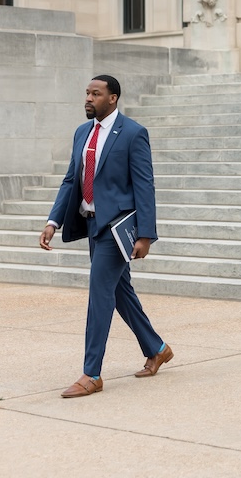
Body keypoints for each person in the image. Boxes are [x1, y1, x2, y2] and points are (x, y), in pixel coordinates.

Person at [39, 74, 173, 397]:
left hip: (117, 228)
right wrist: (52, 221)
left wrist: (146, 235)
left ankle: (92, 373)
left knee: (100, 294)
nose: (88, 98)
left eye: (95, 94)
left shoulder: (133, 133)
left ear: (112, 98)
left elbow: (144, 185)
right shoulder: (82, 133)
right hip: (91, 225)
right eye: (86, 93)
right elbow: (71, 180)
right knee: (120, 293)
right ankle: (157, 348)